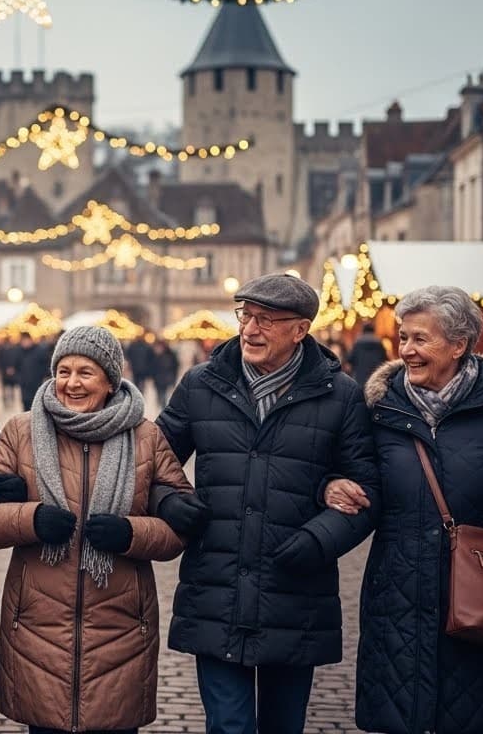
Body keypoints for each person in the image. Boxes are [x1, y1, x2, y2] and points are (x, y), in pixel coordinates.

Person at [322, 285, 483, 734]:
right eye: (404, 338)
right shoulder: (380, 412)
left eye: (420, 339)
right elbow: (344, 472)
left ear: (459, 345)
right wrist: (330, 484)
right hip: (398, 602)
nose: (407, 350)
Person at [154, 273, 379, 734]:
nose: (250, 330)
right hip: (216, 588)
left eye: (266, 320)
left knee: (283, 725)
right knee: (229, 725)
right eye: (246, 316)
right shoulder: (200, 384)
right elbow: (152, 462)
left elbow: (366, 492)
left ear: (301, 330)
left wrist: (319, 540)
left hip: (295, 593)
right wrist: (167, 501)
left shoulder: (341, 396)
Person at [0, 326, 198, 734]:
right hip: (38, 626)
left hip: (121, 627)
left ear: (110, 380)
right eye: (64, 371)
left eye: (85, 372)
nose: (71, 383)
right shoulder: (21, 431)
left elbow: (180, 527)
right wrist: (31, 519)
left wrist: (129, 534)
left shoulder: (145, 436)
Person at [346, 322, 389, 388]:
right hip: (375, 376)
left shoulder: (358, 343)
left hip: (360, 376)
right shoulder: (379, 343)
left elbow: (350, 360)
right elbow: (385, 360)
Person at [15, 334, 51, 413]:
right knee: (25, 404)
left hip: (37, 383)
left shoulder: (39, 351)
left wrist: (43, 375)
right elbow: (16, 366)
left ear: (30, 340)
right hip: (24, 384)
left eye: (26, 340)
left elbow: (46, 364)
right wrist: (18, 378)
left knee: (37, 404)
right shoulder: (19, 352)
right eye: (23, 341)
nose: (25, 343)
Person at [150, 338, 180, 405]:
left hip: (165, 378)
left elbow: (175, 366)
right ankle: (160, 403)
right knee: (159, 393)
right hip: (157, 378)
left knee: (163, 393)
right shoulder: (154, 355)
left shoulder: (170, 355)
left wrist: (173, 377)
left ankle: (162, 404)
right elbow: (151, 367)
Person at [0, 336, 22, 408]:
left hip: (10, 372)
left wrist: (12, 368)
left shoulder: (12, 350)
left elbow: (16, 360)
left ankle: (10, 401)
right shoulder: (2, 350)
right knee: (6, 388)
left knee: (10, 387)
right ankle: (6, 402)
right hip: (4, 373)